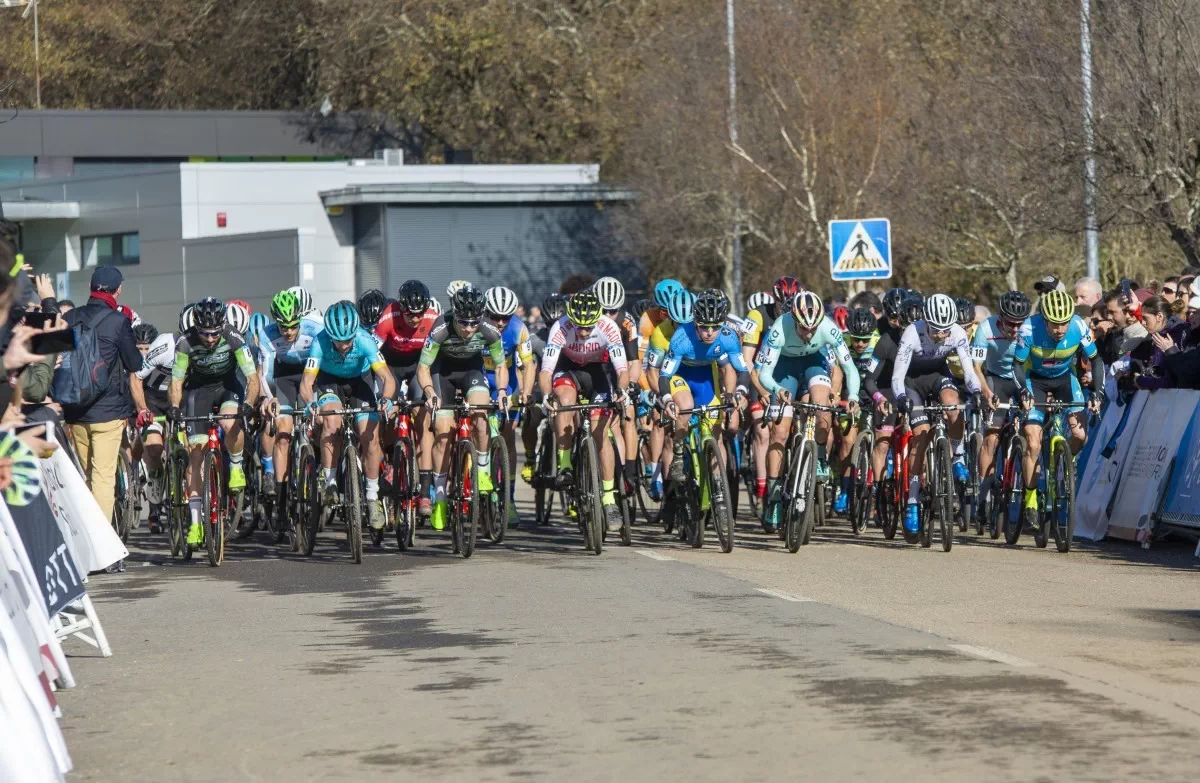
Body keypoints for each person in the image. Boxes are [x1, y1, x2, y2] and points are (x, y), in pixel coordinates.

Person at [61, 266, 148, 527]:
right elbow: (134, 364)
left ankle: (86, 537)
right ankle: (103, 547)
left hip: (75, 410)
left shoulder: (70, 317)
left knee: (87, 476)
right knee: (102, 478)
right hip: (108, 412)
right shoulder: (119, 322)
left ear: (90, 285)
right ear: (118, 290)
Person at [1013, 289, 1104, 532]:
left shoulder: (1078, 327)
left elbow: (1095, 360)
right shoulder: (1029, 329)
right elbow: (1018, 366)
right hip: (1036, 381)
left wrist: (1097, 391)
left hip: (1065, 379)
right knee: (1033, 442)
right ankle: (1031, 499)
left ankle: (1067, 459)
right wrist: (1023, 391)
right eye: (1054, 324)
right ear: (1044, 320)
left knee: (1080, 435)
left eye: (1064, 323)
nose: (1060, 329)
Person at [300, 300, 395, 532]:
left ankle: (372, 499)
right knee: (331, 422)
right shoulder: (320, 341)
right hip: (330, 382)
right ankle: (331, 481)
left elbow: (386, 378)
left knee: (369, 435)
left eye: (347, 340)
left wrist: (386, 399)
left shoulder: (365, 340)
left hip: (360, 382)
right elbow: (307, 381)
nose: (343, 345)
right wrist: (310, 403)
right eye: (338, 340)